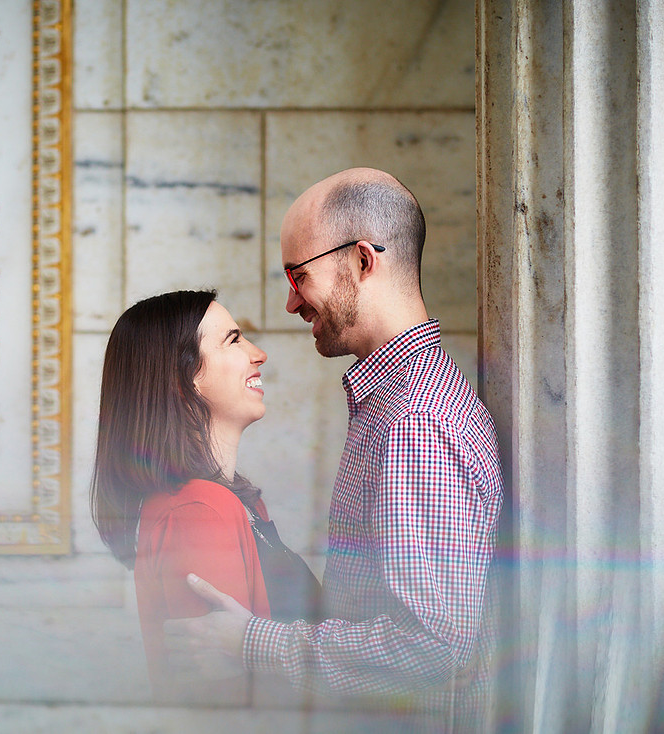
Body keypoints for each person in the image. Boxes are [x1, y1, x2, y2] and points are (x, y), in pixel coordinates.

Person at [163, 168, 504, 726]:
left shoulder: (415, 423)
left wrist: (252, 642)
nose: (292, 304)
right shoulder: (396, 404)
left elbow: (432, 648)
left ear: (363, 261)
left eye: (299, 276)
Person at [90, 289, 321, 703]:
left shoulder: (234, 504)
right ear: (185, 380)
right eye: (233, 340)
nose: (259, 353)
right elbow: (221, 706)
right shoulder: (200, 511)